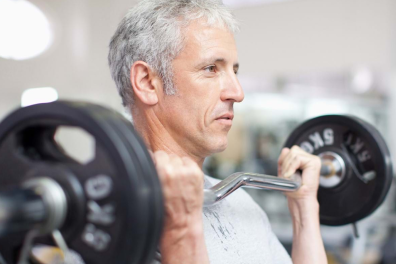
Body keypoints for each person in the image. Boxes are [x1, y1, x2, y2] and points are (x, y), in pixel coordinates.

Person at [108, 0, 327, 263]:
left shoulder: (240, 203)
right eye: (211, 69)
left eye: (234, 71)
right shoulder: (102, 220)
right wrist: (180, 231)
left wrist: (304, 211)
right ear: (147, 83)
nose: (238, 93)